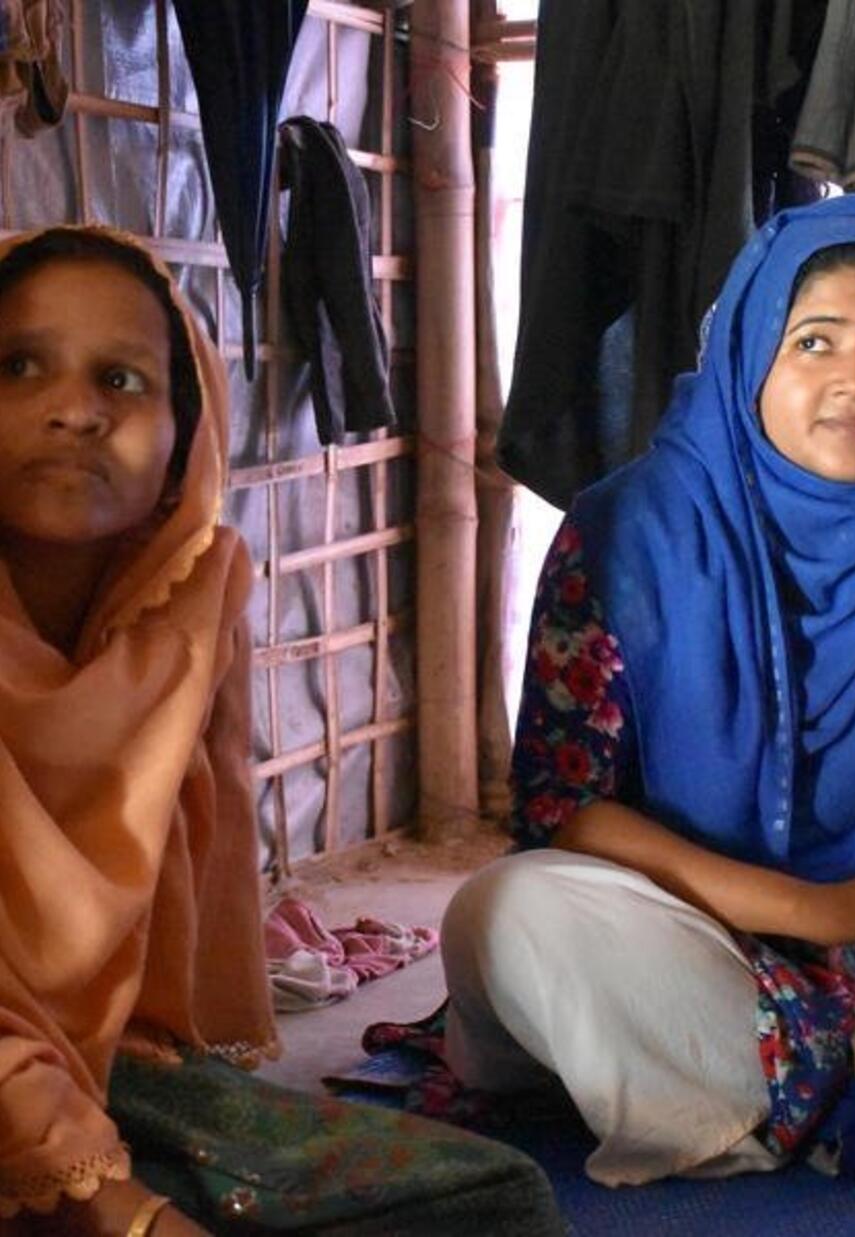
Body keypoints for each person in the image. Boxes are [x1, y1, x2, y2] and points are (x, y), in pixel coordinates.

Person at [0, 226, 563, 1237]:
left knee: (488, 1202)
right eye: (18, 365)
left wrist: (140, 1063)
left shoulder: (190, 601)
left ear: (187, 434)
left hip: (88, 1066)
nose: (75, 410)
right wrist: (124, 1209)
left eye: (123, 380)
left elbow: (188, 887)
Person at [442, 193, 855, 1187]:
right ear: (749, 354)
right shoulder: (632, 532)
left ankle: (816, 1087)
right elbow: (565, 810)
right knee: (507, 914)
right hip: (682, 922)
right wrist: (820, 907)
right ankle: (844, 1093)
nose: (853, 380)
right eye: (814, 343)